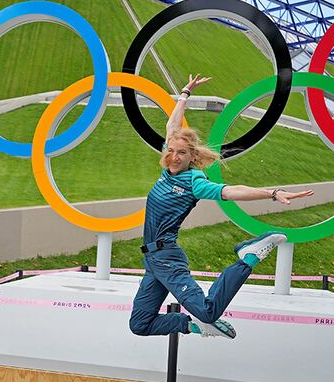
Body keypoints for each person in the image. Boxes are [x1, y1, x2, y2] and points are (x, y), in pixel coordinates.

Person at [129, 74, 314, 340]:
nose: (174, 156)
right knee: (140, 324)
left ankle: (247, 258)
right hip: (152, 260)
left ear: (192, 156)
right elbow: (172, 126)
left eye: (181, 153)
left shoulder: (194, 181)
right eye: (171, 151)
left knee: (208, 310)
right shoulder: (167, 167)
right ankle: (193, 326)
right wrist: (184, 94)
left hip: (167, 257)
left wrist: (271, 193)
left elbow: (231, 190)